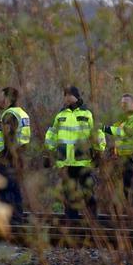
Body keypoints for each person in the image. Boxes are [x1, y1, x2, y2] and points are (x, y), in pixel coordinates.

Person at [44, 86, 106, 220]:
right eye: (64, 95)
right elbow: (51, 134)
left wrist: (99, 152)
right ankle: (71, 223)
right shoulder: (60, 115)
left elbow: (97, 134)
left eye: (66, 95)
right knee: (69, 194)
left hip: (83, 160)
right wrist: (49, 152)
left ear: (73, 96)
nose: (64, 98)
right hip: (65, 161)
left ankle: (92, 221)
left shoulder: (87, 114)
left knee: (87, 192)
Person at [0, 86, 32, 220]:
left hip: (8, 160)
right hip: (19, 158)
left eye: (1, 97)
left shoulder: (9, 115)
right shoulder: (22, 113)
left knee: (7, 192)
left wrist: (2, 161)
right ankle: (18, 221)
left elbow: (8, 140)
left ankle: (11, 225)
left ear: (8, 99)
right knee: (16, 192)